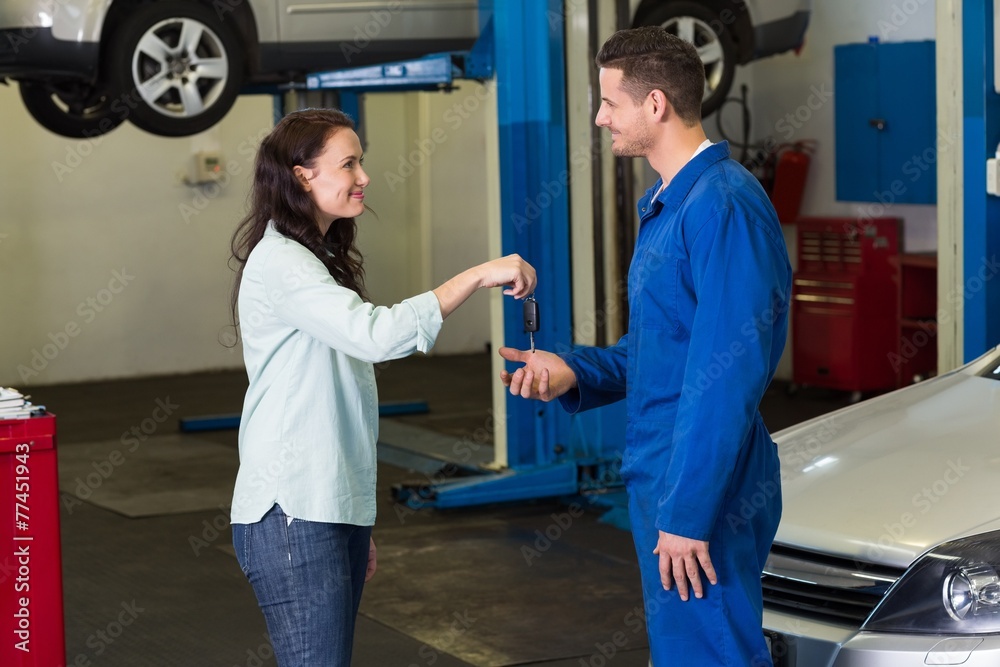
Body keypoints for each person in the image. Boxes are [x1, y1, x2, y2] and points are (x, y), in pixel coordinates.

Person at [499, 27, 792, 666]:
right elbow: (663, 351)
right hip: (669, 475)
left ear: (654, 105)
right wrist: (572, 370)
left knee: (708, 655)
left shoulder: (721, 207)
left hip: (702, 485)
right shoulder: (673, 202)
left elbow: (727, 375)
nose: (601, 118)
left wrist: (688, 512)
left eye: (610, 103)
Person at [227, 108, 536, 667]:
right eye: (349, 163)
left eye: (361, 161)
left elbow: (339, 400)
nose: (364, 176)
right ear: (302, 177)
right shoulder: (284, 264)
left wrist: (352, 519)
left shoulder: (310, 259)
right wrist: (476, 275)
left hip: (321, 509)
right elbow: (376, 335)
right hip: (292, 514)